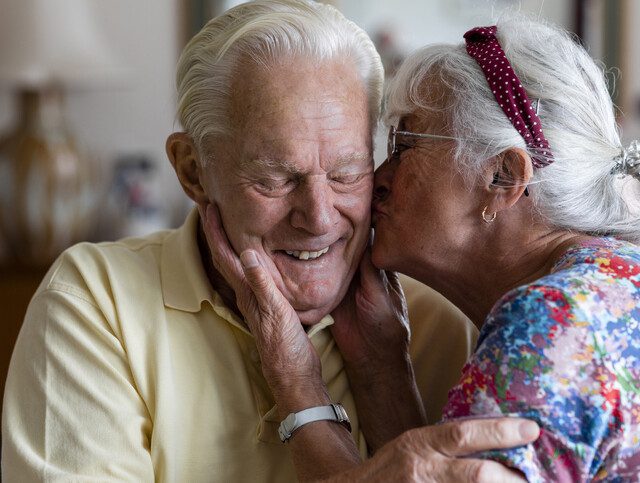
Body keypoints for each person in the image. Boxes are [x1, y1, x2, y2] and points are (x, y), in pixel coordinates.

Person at [1, 2, 538, 482]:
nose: (319, 218)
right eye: (275, 179)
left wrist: (384, 379)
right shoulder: (97, 302)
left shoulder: (444, 322)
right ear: (193, 172)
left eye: (348, 173)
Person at [207, 14, 640, 482]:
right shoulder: (611, 283)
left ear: (504, 177)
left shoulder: (551, 321)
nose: (380, 179)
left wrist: (296, 381)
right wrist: (381, 367)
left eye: (404, 144)